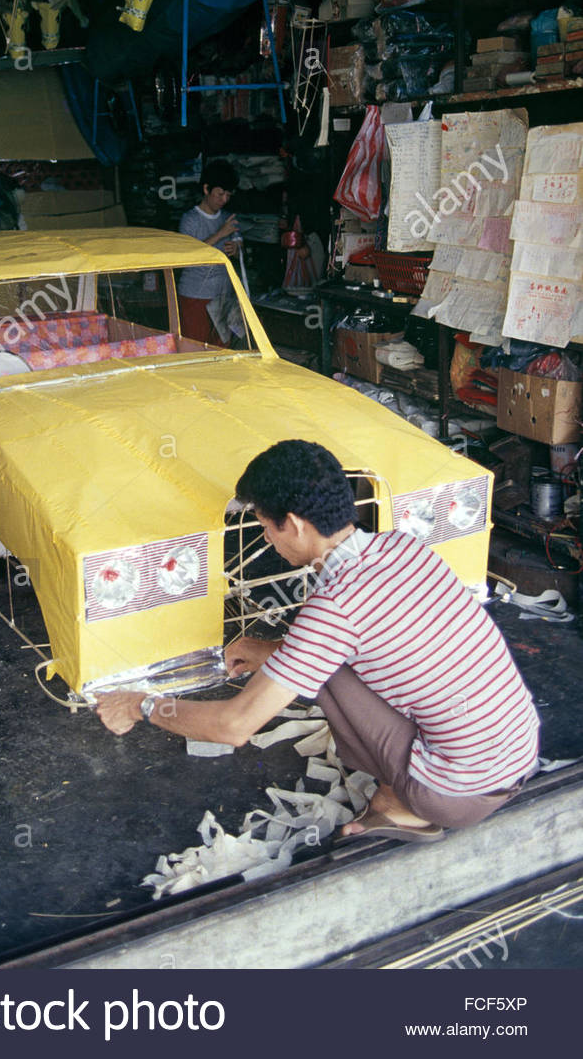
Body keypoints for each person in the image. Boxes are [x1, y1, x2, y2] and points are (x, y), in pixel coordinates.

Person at [96, 440, 539, 843]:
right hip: (516, 755)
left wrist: (141, 705)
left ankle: (402, 806)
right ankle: (411, 787)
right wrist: (266, 651)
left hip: (454, 796)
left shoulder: (335, 607)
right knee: (324, 662)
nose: (267, 540)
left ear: (292, 523)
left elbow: (233, 727)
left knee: (325, 672)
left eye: (265, 527)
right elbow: (381, 642)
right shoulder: (402, 547)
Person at [177, 159, 240, 344]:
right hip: (195, 295)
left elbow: (239, 250)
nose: (224, 200)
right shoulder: (190, 219)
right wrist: (220, 234)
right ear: (206, 189)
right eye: (220, 194)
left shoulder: (228, 218)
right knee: (196, 347)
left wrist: (236, 249)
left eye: (228, 195)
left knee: (222, 348)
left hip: (223, 294)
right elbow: (189, 257)